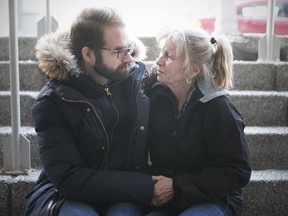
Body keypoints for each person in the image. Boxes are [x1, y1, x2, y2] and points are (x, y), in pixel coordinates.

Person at [25, 6, 155, 216]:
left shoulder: (135, 82)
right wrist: (148, 186)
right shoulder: (53, 101)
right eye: (119, 51)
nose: (129, 58)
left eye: (129, 48)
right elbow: (70, 180)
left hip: (125, 190)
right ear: (88, 54)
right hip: (63, 195)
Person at [144, 26, 251, 216]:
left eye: (169, 56)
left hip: (214, 199)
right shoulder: (156, 95)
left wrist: (177, 187)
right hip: (169, 199)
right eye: (161, 52)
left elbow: (236, 170)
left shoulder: (218, 108)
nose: (158, 61)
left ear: (192, 70)